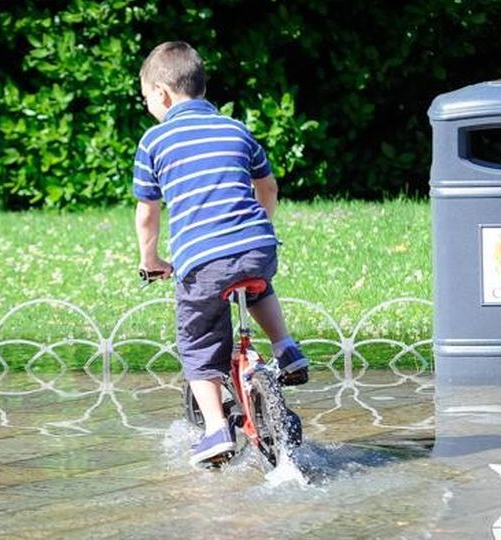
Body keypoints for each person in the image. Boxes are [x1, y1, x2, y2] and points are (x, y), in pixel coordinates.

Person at [132, 41, 309, 467]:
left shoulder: (154, 141)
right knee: (258, 285)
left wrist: (150, 261)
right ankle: (286, 347)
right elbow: (268, 188)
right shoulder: (236, 129)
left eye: (146, 100)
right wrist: (258, 225)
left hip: (203, 261)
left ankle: (215, 429)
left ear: (162, 94)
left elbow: (147, 214)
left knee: (198, 341)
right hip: (256, 245)